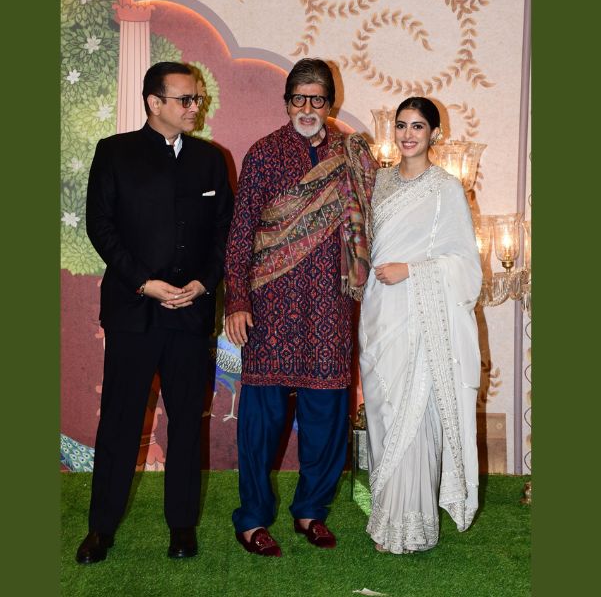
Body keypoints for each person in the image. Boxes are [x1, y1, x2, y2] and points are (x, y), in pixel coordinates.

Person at [76, 62, 234, 564]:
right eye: (186, 99)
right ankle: (100, 528)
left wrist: (203, 283)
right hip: (133, 311)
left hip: (190, 312)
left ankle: (182, 526)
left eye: (198, 99)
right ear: (154, 102)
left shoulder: (211, 160)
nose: (195, 107)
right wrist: (144, 283)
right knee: (120, 422)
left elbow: (224, 232)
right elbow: (100, 227)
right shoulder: (114, 152)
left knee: (187, 422)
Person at [224, 58, 378, 556]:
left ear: (331, 103)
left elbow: (374, 223)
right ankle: (252, 518)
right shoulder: (264, 153)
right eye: (298, 98)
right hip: (269, 304)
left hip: (330, 302)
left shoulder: (351, 154)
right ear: (287, 102)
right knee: (260, 420)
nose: (307, 108)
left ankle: (311, 511)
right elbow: (241, 232)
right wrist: (237, 300)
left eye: (317, 99)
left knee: (326, 414)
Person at [359, 97, 481, 554]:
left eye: (417, 126)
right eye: (401, 125)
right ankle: (385, 517)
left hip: (418, 314)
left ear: (434, 134)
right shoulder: (378, 181)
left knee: (413, 411)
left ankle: (412, 525)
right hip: (378, 310)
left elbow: (465, 265)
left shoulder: (445, 188)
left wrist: (411, 270)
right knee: (383, 409)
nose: (408, 134)